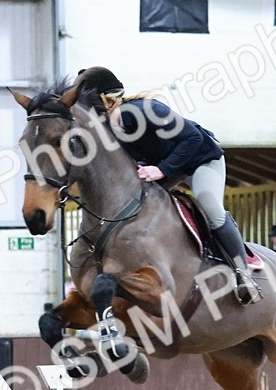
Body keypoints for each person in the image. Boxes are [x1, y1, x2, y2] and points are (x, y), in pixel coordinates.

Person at [74, 66, 261, 305]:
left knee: (211, 208)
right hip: (164, 165)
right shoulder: (108, 130)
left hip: (200, 159)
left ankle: (242, 273)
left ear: (105, 101)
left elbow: (192, 138)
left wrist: (161, 170)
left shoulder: (146, 111)